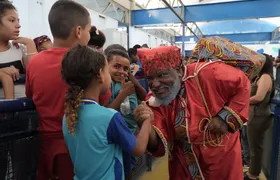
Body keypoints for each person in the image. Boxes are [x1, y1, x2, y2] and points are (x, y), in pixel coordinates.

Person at [134, 45, 253, 180]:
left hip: (222, 157)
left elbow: (242, 83)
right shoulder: (155, 100)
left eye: (162, 75)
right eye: (149, 78)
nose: (155, 84)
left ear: (178, 70)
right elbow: (159, 141)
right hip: (182, 163)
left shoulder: (209, 72)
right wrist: (146, 124)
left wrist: (225, 118)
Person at [25, 1, 111, 179]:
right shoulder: (88, 63)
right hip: (80, 145)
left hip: (45, 146)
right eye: (88, 30)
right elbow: (104, 99)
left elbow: (30, 96)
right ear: (79, 31)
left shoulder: (34, 63)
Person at [61, 45, 151, 180]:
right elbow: (138, 148)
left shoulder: (68, 115)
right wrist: (147, 120)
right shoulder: (109, 117)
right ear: (100, 75)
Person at [244, 54, 275, 180]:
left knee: (255, 147)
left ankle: (253, 174)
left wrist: (244, 100)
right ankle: (253, 171)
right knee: (254, 146)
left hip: (258, 115)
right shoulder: (260, 76)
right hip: (256, 115)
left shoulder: (266, 77)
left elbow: (259, 97)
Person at [0, 0, 37, 99]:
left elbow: (36, 74)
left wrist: (30, 43)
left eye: (18, 21)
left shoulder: (20, 49)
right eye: (12, 20)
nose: (18, 25)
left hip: (24, 109)